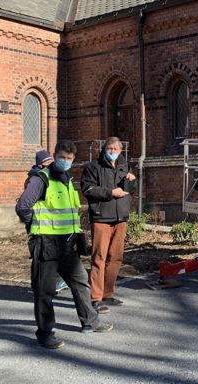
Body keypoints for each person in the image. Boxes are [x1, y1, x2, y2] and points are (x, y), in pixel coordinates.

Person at [16, 140, 113, 349]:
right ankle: (45, 333)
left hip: (67, 244)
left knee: (80, 282)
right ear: (54, 155)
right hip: (46, 243)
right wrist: (34, 226)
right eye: (62, 157)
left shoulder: (67, 179)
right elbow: (23, 207)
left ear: (73, 159)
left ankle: (90, 321)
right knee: (45, 291)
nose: (65, 162)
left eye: (69, 159)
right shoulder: (41, 179)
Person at [81, 137, 136, 313]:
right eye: (109, 148)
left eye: (116, 149)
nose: (112, 151)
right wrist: (110, 192)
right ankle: (96, 298)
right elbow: (88, 190)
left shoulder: (124, 166)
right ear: (104, 149)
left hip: (121, 218)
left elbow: (130, 190)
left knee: (116, 258)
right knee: (99, 258)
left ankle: (108, 293)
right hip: (101, 218)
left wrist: (131, 180)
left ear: (121, 150)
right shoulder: (93, 167)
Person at [25, 150, 69, 294]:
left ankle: (50, 284)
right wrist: (30, 221)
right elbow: (24, 206)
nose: (51, 164)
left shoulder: (53, 177)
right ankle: (39, 288)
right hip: (39, 225)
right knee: (39, 258)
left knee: (51, 256)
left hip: (51, 225)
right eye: (47, 162)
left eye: (52, 161)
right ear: (40, 164)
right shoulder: (36, 179)